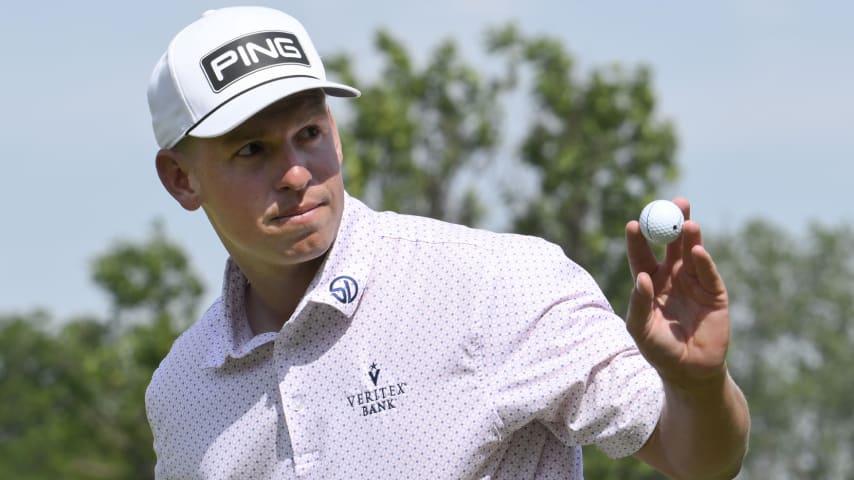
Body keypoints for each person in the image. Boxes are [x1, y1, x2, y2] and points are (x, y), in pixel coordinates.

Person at [146, 6, 749, 479]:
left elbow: (695, 459)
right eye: (252, 150)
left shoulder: (498, 283)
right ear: (181, 178)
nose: (297, 172)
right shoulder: (179, 392)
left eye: (309, 133)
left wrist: (698, 387)